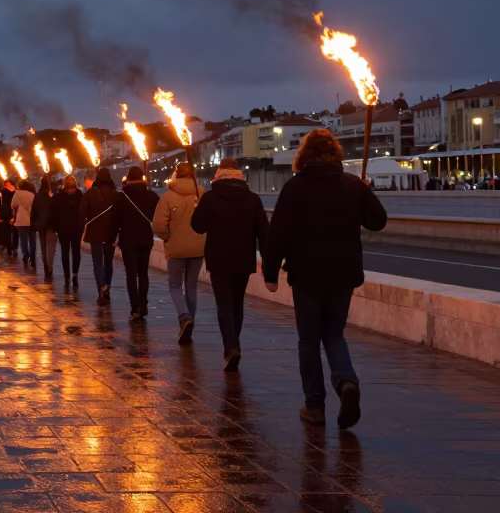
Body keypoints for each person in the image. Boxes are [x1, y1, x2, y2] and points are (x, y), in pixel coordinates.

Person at [264, 130, 387, 428]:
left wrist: (270, 271)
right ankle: (346, 381)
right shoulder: (352, 186)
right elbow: (377, 221)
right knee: (334, 334)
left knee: (308, 340)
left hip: (307, 274)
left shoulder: (295, 188)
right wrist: (366, 193)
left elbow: (278, 233)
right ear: (336, 153)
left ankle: (315, 405)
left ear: (305, 155)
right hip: (343, 274)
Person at [191, 158, 268, 371]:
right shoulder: (252, 199)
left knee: (224, 305)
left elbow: (198, 227)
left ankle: (231, 346)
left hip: (219, 258)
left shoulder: (210, 198)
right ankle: (234, 344)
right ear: (239, 174)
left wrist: (198, 208)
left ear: (218, 173)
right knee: (237, 303)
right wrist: (269, 264)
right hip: (244, 258)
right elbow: (263, 232)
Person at [153, 163, 206, 344]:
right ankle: (190, 321)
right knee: (191, 286)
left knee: (175, 285)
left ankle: (184, 317)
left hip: (176, 248)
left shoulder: (168, 197)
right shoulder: (201, 195)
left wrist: (167, 237)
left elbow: (159, 225)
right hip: (198, 248)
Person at [113, 167, 159, 319]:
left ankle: (135, 306)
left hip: (128, 240)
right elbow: (157, 219)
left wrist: (111, 238)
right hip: (146, 239)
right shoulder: (152, 197)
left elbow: (115, 221)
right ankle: (144, 303)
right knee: (143, 273)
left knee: (131, 274)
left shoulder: (121, 197)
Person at [82, 168, 119, 304]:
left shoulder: (91, 193)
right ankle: (107, 287)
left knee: (97, 262)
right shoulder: (115, 194)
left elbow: (82, 212)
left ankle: (101, 288)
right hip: (110, 233)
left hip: (95, 233)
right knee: (108, 261)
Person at [47, 175, 85, 288]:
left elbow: (53, 213)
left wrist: (54, 227)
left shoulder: (58, 197)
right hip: (76, 228)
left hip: (63, 229)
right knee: (76, 251)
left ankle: (67, 274)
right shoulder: (80, 196)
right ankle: (75, 273)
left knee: (65, 252)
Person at [32, 176, 55, 279]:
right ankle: (49, 265)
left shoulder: (38, 196)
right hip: (51, 224)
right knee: (50, 247)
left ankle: (46, 265)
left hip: (41, 224)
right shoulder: (52, 196)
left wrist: (34, 222)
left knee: (43, 246)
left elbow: (34, 211)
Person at [11, 180, 37, 267]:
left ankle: (26, 254)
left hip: (21, 220)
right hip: (31, 220)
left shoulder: (18, 194)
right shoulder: (32, 195)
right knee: (32, 239)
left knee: (23, 239)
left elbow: (13, 205)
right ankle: (33, 256)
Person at [0, 179, 17, 259]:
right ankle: (14, 248)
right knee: (14, 231)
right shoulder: (15, 192)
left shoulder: (2, 192)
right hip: (13, 213)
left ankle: (9, 248)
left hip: (5, 214)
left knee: (7, 231)